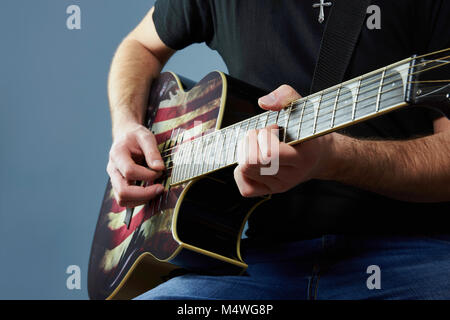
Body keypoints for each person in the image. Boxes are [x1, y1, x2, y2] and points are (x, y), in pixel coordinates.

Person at [106, 0, 450, 299]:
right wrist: (126, 126)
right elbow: (140, 46)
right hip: (258, 264)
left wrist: (334, 158)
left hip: (408, 253)